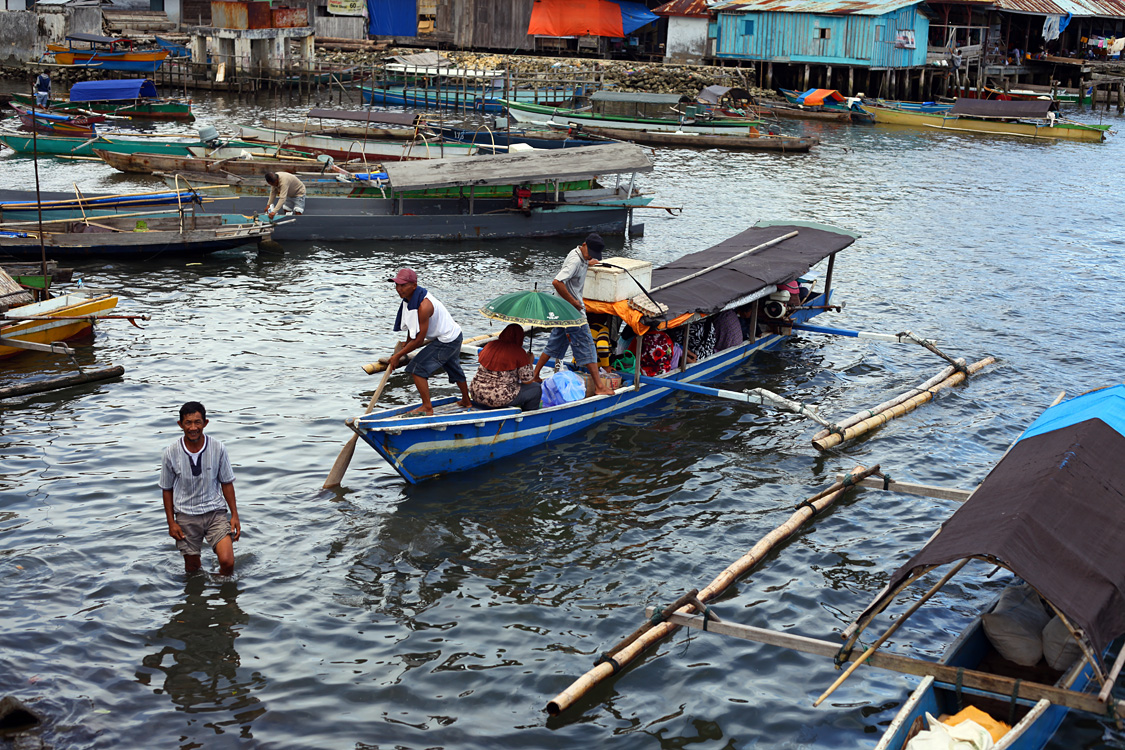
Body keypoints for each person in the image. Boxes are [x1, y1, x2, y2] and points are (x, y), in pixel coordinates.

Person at [160, 401, 240, 577]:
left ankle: (223, 596)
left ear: (205, 423)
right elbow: (166, 489)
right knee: (192, 568)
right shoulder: (171, 452)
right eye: (188, 423)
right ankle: (198, 600)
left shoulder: (218, 448)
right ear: (180, 425)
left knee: (227, 563)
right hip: (186, 515)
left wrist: (234, 514)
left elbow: (227, 482)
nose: (193, 427)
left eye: (198, 422)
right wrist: (171, 523)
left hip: (215, 512)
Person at [531, 233, 614, 396]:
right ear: (584, 244)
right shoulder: (576, 260)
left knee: (555, 343)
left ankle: (535, 375)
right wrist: (574, 302)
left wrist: (589, 263)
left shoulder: (579, 256)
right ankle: (599, 386)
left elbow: (579, 265)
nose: (590, 256)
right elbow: (557, 282)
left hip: (562, 310)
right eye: (590, 253)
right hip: (572, 312)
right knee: (588, 345)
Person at [386, 268, 472, 416]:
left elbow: (419, 340)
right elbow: (412, 326)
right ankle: (466, 401)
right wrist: (406, 344)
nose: (399, 289)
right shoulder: (410, 299)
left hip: (448, 339)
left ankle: (427, 407)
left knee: (417, 369)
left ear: (414, 285)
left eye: (403, 285)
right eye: (397, 285)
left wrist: (397, 356)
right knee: (454, 367)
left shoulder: (424, 305)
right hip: (453, 334)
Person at [470, 323, 541, 411]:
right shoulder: (519, 352)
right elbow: (528, 380)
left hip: (476, 393)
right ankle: (529, 414)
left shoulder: (490, 345)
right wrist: (529, 362)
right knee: (536, 388)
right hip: (498, 398)